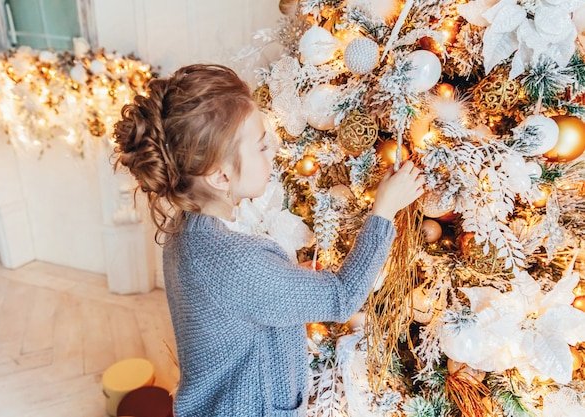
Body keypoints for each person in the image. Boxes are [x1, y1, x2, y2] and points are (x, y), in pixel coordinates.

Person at [112, 64, 425, 417]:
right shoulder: (238, 263)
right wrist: (384, 210)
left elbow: (237, 304)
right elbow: (341, 298)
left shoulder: (182, 231)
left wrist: (283, 279)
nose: (272, 150)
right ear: (220, 175)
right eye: (261, 147)